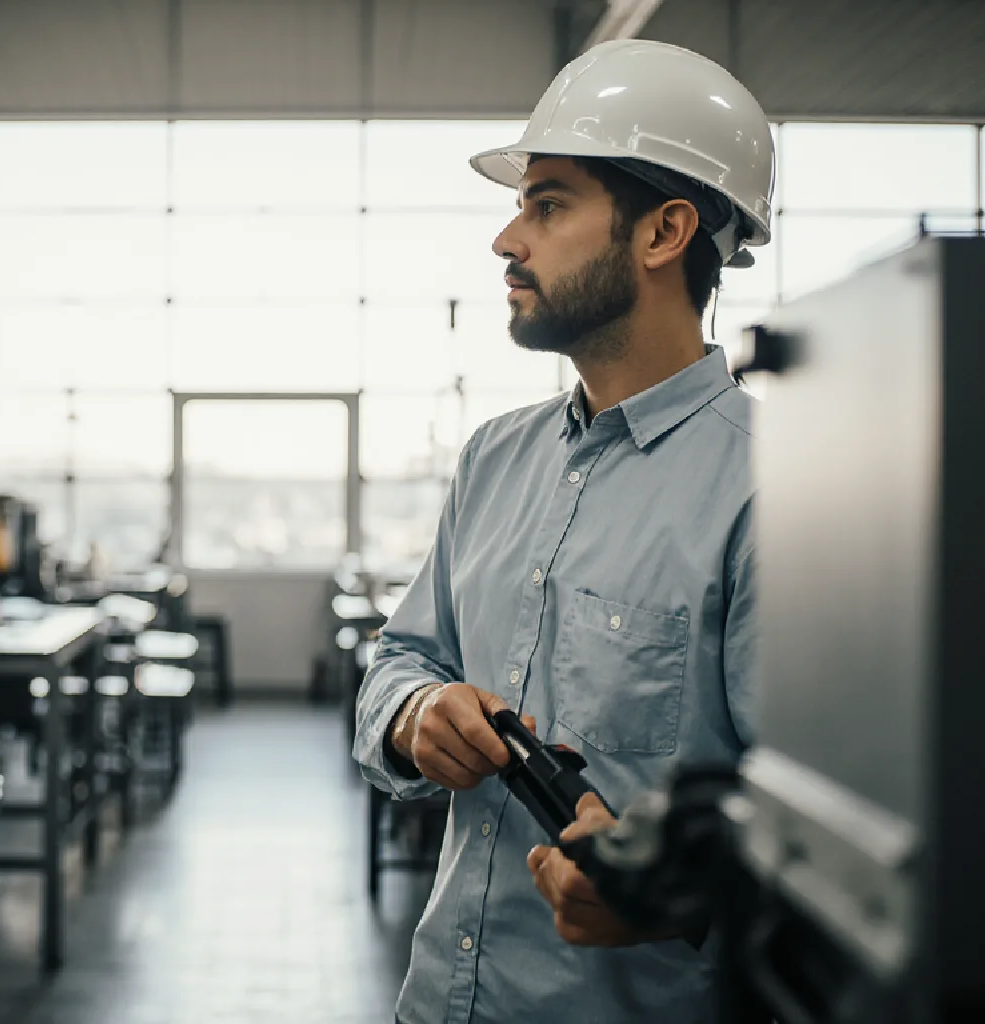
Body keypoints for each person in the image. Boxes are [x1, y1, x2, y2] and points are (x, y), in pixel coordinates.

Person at [352, 39, 773, 1024]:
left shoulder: (776, 488)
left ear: (665, 231)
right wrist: (416, 716)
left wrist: (682, 897)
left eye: (548, 205)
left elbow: (827, 835)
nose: (508, 239)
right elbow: (400, 657)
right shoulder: (496, 458)